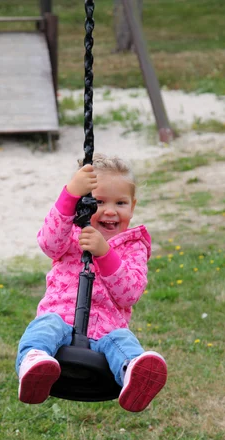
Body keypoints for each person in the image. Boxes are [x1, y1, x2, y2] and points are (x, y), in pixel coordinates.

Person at [16, 154, 167, 412]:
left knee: (123, 341)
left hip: (108, 330)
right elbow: (48, 243)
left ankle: (134, 374)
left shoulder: (134, 246)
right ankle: (35, 363)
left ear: (133, 205)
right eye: (98, 202)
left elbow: (130, 293)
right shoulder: (72, 231)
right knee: (45, 327)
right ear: (83, 203)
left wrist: (105, 254)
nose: (110, 210)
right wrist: (69, 195)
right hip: (61, 318)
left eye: (121, 202)